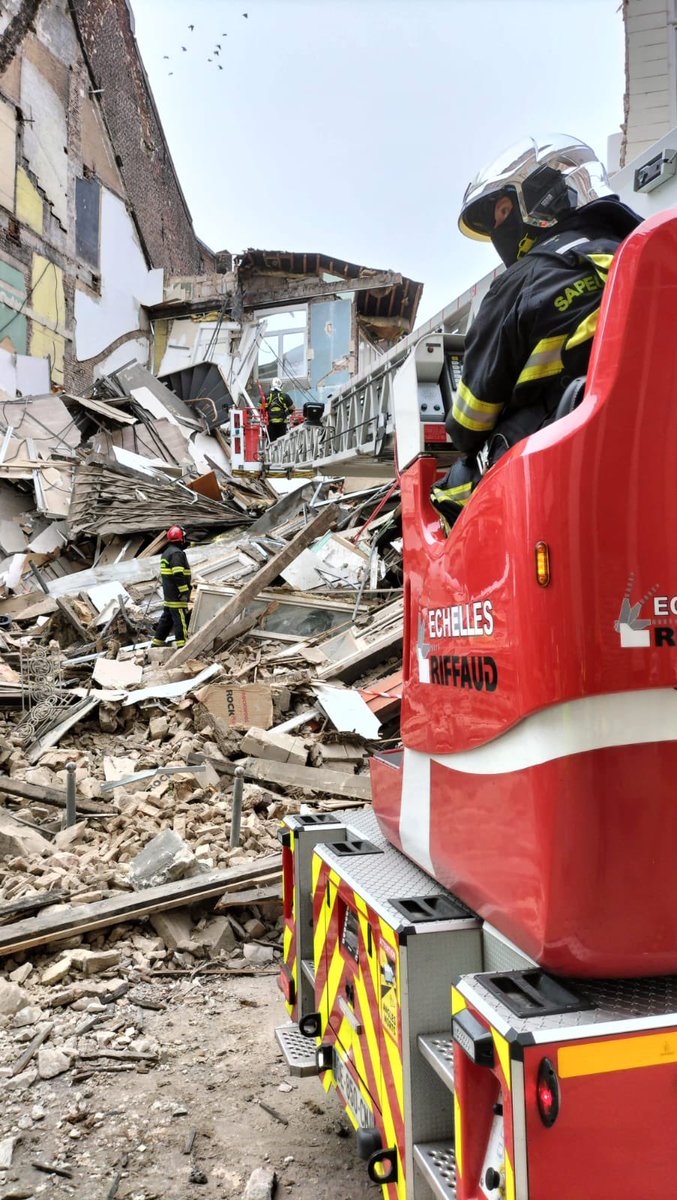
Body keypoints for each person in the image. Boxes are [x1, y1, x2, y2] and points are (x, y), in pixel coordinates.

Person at [431, 134, 642, 529]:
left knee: (455, 483)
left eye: (500, 212)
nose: (498, 227)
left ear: (524, 206)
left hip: (568, 482)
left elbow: (467, 426)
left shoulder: (521, 283)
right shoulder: (641, 255)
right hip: (654, 462)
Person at [152, 525, 192, 649]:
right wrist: (184, 591)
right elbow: (178, 573)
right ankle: (183, 646)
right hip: (177, 595)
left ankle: (156, 644)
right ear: (181, 539)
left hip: (169, 594)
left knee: (166, 620)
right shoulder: (177, 554)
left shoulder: (166, 552)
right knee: (180, 620)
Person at [266, 377, 295, 441]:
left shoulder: (266, 396)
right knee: (281, 442)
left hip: (270, 423)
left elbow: (260, 408)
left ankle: (272, 450)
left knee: (272, 442)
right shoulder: (284, 396)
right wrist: (285, 414)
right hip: (282, 423)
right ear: (280, 386)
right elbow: (292, 408)